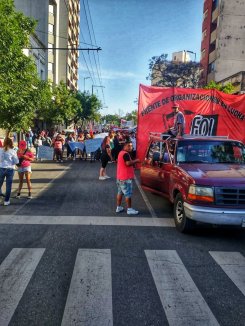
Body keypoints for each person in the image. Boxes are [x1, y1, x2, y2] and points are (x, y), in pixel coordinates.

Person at [116, 140, 140, 215]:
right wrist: (137, 161)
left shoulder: (121, 153)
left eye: (131, 146)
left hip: (120, 177)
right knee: (128, 194)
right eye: (128, 146)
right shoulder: (125, 154)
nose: (130, 147)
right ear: (124, 146)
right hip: (125, 178)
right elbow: (128, 163)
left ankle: (118, 207)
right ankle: (129, 209)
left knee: (120, 193)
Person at [0, 137, 19, 205]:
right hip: (10, 169)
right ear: (11, 143)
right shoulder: (13, 151)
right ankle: (6, 201)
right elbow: (16, 161)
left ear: (4, 143)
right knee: (8, 186)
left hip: (1, 168)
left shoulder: (0, 150)